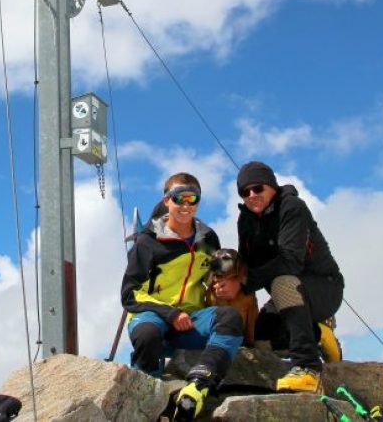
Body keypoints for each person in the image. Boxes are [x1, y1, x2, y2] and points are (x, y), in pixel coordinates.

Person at [121, 173, 243, 420]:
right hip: (152, 318)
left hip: (191, 321)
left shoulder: (208, 239)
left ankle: (198, 386)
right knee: (147, 334)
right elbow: (129, 294)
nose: (186, 206)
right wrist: (170, 313)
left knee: (230, 318)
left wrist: (228, 287)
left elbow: (213, 277)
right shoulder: (147, 241)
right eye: (179, 198)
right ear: (167, 201)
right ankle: (148, 392)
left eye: (193, 198)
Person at [235, 161, 344, 393]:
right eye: (245, 192)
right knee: (261, 336)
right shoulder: (245, 220)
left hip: (323, 287)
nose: (252, 195)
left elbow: (290, 261)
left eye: (258, 188)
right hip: (286, 297)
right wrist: (234, 281)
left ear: (272, 186)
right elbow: (245, 262)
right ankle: (319, 333)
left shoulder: (292, 207)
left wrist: (248, 281)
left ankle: (307, 368)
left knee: (283, 281)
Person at [205, 248, 259, 346]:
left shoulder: (247, 292)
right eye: (214, 257)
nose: (217, 260)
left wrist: (249, 341)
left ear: (238, 264)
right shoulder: (211, 290)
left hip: (241, 337)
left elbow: (251, 315)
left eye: (226, 258)